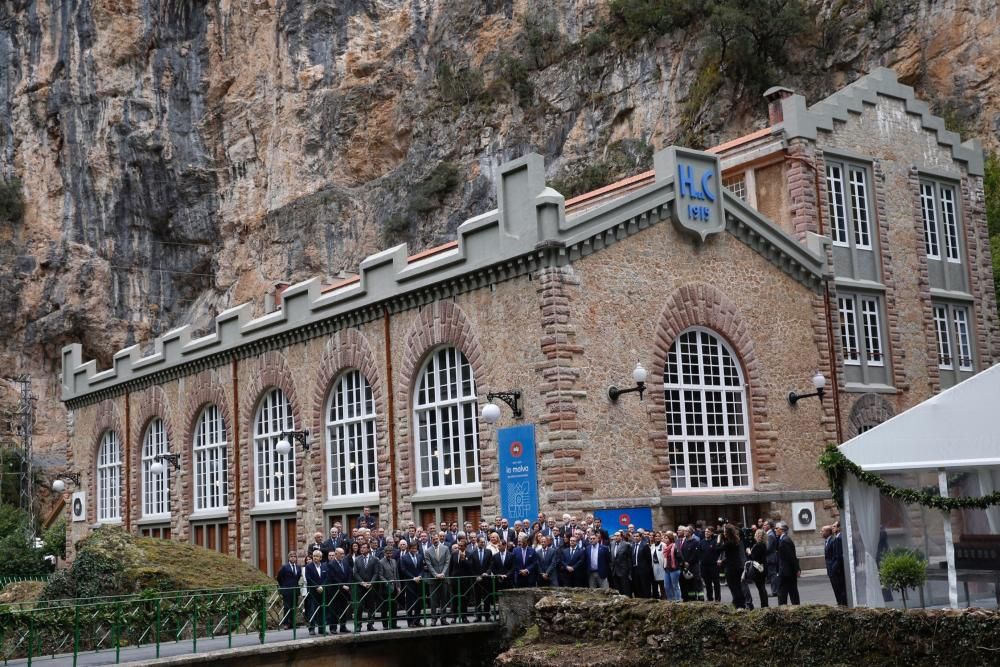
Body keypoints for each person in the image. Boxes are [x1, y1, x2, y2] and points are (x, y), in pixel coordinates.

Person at [424, 531, 451, 625]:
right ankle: (433, 619)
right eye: (433, 539)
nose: (435, 540)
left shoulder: (446, 548)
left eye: (437, 538)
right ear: (431, 540)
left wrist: (443, 573)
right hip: (433, 579)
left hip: (444, 578)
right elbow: (429, 564)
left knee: (444, 599)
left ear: (439, 538)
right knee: (433, 600)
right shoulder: (427, 551)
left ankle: (443, 618)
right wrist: (436, 574)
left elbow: (447, 562)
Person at [351, 542, 379, 631]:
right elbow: (355, 573)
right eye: (361, 548)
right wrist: (362, 582)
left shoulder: (374, 559)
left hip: (370, 586)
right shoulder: (357, 559)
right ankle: (358, 625)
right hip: (360, 586)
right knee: (359, 607)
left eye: (364, 547)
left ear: (368, 549)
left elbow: (376, 573)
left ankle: (370, 624)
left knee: (371, 606)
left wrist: (371, 582)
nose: (362, 549)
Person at [718, 524, 746, 609]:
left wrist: (719, 540)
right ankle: (741, 604)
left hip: (731, 568)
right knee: (738, 586)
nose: (723, 532)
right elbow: (732, 555)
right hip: (737, 566)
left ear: (727, 532)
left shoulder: (729, 543)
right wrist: (723, 561)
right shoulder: (735, 540)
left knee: (733, 587)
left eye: (724, 531)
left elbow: (718, 549)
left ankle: (738, 605)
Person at [325, 547, 352, 633]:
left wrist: (347, 585)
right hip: (335, 590)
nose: (343, 555)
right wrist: (342, 585)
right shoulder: (331, 564)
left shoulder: (345, 562)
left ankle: (343, 626)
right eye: (341, 554)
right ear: (336, 554)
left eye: (343, 554)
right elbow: (333, 577)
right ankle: (333, 628)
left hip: (345, 591)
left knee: (343, 609)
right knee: (334, 610)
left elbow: (349, 574)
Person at [399, 540, 425, 627]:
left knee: (419, 602)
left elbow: (422, 568)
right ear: (409, 548)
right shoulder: (404, 557)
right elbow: (403, 570)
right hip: (409, 583)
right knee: (410, 602)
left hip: (419, 582)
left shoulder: (420, 556)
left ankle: (417, 620)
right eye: (413, 548)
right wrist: (413, 578)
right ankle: (410, 622)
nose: (415, 550)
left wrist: (420, 576)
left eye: (416, 548)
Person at [775, 521, 801, 606]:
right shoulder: (783, 539)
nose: (775, 530)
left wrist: (797, 569)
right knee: (791, 592)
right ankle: (795, 607)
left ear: (781, 529)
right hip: (787, 571)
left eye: (776, 528)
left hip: (787, 572)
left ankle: (784, 609)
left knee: (784, 592)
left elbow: (791, 557)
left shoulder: (785, 540)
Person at [469, 536, 495, 620]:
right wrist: (477, 576)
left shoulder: (488, 552)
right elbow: (471, 567)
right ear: (477, 542)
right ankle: (478, 616)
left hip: (486, 579)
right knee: (477, 598)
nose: (483, 543)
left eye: (484, 542)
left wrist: (486, 573)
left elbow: (491, 565)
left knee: (487, 598)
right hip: (477, 580)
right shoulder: (473, 553)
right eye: (481, 542)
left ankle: (487, 615)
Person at [276, 551, 302, 629]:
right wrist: (283, 586)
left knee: (294, 607)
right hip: (287, 590)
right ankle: (286, 623)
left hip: (295, 590)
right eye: (291, 556)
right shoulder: (285, 567)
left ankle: (292, 623)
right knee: (287, 607)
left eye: (294, 556)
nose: (293, 558)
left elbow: (297, 578)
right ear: (289, 558)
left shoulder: (298, 567)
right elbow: (279, 577)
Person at [304, 549, 328, 635]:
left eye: (317, 556)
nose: (315, 558)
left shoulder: (325, 566)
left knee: (322, 610)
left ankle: (322, 629)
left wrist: (322, 586)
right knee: (312, 610)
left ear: (321, 558)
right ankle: (312, 628)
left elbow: (326, 578)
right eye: (314, 556)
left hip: (322, 591)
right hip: (313, 592)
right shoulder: (309, 567)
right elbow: (308, 578)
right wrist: (317, 587)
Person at [376, 546, 400, 629]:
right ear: (384, 553)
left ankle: (394, 624)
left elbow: (396, 574)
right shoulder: (381, 562)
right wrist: (387, 582)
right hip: (385, 588)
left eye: (390, 553)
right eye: (388, 553)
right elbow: (380, 575)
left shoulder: (394, 561)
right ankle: (385, 625)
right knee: (384, 608)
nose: (389, 555)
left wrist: (398, 586)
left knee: (394, 607)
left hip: (394, 587)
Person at [824, 523, 848, 606]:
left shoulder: (837, 538)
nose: (832, 528)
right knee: (839, 589)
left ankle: (842, 604)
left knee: (840, 589)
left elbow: (837, 556)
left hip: (837, 569)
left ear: (839, 528)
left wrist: (833, 568)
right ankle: (841, 603)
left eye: (834, 526)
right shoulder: (837, 537)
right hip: (835, 568)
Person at [748, 528, 769, 608]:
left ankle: (764, 605)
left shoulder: (758, 545)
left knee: (761, 588)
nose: (755, 535)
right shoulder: (763, 544)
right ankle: (765, 604)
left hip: (758, 569)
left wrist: (749, 553)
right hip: (762, 568)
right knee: (762, 587)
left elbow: (754, 558)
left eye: (756, 534)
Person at [700, 526, 722, 603]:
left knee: (716, 583)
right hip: (704, 566)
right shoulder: (701, 542)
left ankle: (717, 599)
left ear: (712, 533)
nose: (706, 533)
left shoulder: (715, 541)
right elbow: (699, 553)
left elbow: (719, 551)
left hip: (713, 565)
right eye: (705, 532)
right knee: (707, 584)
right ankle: (710, 598)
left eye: (708, 532)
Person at [630, 531, 654, 598]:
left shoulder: (645, 546)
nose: (635, 538)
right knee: (637, 587)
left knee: (645, 586)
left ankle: (647, 600)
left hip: (644, 570)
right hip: (635, 570)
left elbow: (649, 560)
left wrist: (648, 571)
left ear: (640, 537)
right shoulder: (632, 546)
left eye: (637, 536)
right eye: (634, 536)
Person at [609, 531, 632, 595]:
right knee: (617, 589)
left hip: (623, 570)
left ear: (621, 537)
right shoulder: (612, 544)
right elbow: (611, 557)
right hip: (614, 570)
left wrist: (629, 571)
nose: (616, 537)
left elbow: (629, 559)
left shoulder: (626, 545)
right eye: (615, 536)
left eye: (618, 536)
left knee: (625, 588)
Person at [662, 531, 681, 601]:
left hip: (674, 569)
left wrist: (677, 565)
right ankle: (671, 600)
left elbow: (680, 558)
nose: (664, 539)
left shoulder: (675, 546)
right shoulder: (665, 547)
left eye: (666, 538)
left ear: (670, 538)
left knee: (675, 586)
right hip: (667, 569)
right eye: (664, 538)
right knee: (666, 586)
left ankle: (678, 600)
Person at [765, 520, 779, 596]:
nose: (763, 526)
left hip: (771, 558)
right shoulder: (769, 534)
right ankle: (775, 590)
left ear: (769, 526)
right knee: (772, 574)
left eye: (765, 525)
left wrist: (762, 550)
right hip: (770, 557)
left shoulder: (770, 535)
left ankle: (774, 591)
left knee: (773, 574)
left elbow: (768, 548)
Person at [651, 532, 666, 599]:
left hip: (662, 567)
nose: (657, 537)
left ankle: (664, 598)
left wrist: (665, 565)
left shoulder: (663, 545)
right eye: (656, 536)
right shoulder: (652, 546)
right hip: (654, 567)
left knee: (662, 584)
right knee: (655, 584)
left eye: (658, 536)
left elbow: (665, 556)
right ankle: (657, 598)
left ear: (660, 537)